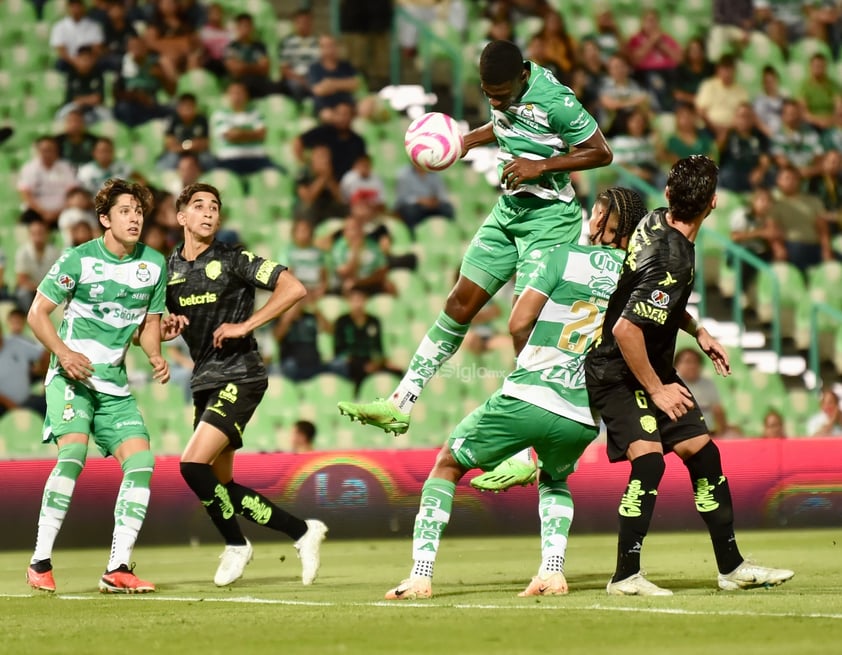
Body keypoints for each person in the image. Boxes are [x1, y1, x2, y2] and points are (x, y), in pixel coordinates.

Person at [337, 39, 612, 441]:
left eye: (500, 96)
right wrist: (466, 140)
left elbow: (600, 152)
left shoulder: (556, 100)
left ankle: (520, 448)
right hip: (510, 212)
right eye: (488, 96)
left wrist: (543, 165)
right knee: (458, 302)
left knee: (522, 326)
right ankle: (402, 402)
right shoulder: (501, 85)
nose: (495, 103)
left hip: (551, 220)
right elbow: (503, 124)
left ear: (521, 76)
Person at [383, 188, 646, 600]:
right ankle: (552, 571)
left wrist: (533, 356)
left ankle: (420, 576)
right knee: (554, 477)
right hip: (581, 414)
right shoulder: (635, 277)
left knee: (448, 464)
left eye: (593, 212)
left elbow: (517, 321)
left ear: (598, 221)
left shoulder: (561, 257)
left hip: (530, 394)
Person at [584, 155, 794, 596]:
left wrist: (698, 330)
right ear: (714, 203)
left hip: (650, 365)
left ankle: (731, 568)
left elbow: (648, 300)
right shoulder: (672, 257)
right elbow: (626, 328)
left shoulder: (656, 223)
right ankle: (625, 576)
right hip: (617, 370)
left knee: (704, 455)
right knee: (650, 461)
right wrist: (658, 391)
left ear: (668, 196)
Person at [162, 183, 327, 587]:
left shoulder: (234, 258)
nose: (208, 212)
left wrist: (246, 325)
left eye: (214, 207)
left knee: (190, 464)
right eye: (198, 206)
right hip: (204, 380)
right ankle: (303, 531)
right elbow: (153, 326)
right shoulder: (169, 271)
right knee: (220, 485)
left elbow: (294, 287)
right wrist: (165, 329)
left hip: (242, 372)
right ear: (181, 217)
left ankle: (237, 545)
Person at [25, 178, 169, 594]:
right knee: (74, 452)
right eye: (125, 211)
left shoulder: (154, 264)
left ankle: (118, 567)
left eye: (138, 211)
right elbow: (38, 314)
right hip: (72, 377)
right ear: (105, 219)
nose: (135, 217)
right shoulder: (78, 259)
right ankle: (40, 561)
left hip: (114, 384)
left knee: (142, 462)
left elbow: (150, 325)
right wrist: (64, 354)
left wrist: (156, 353)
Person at [0, 314, 49, 418]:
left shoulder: (16, 342)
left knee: (50, 404)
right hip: (3, 407)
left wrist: (44, 375)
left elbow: (45, 355)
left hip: (27, 402)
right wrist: (13, 407)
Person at [673, 348, 728, 436]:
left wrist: (721, 434)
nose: (692, 366)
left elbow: (718, 410)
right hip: (681, 434)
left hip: (709, 433)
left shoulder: (708, 384)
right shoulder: (672, 384)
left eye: (695, 362)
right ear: (676, 365)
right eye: (687, 362)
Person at [15, 219, 61, 312]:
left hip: (49, 290)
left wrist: (45, 290)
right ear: (29, 235)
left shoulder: (55, 252)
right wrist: (39, 289)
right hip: (31, 290)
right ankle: (29, 318)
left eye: (41, 233)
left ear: (47, 234)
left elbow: (58, 277)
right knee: (22, 293)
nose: (38, 236)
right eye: (34, 233)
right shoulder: (23, 252)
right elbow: (22, 280)